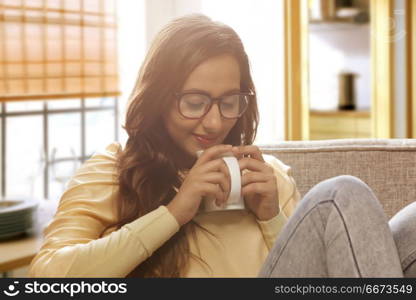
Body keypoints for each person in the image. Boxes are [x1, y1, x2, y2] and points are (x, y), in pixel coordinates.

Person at [29, 14, 416, 278]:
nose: (215, 123)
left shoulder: (269, 178)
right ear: (159, 97)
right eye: (194, 102)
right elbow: (47, 277)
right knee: (340, 194)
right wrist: (175, 212)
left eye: (229, 102)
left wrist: (271, 217)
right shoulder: (113, 171)